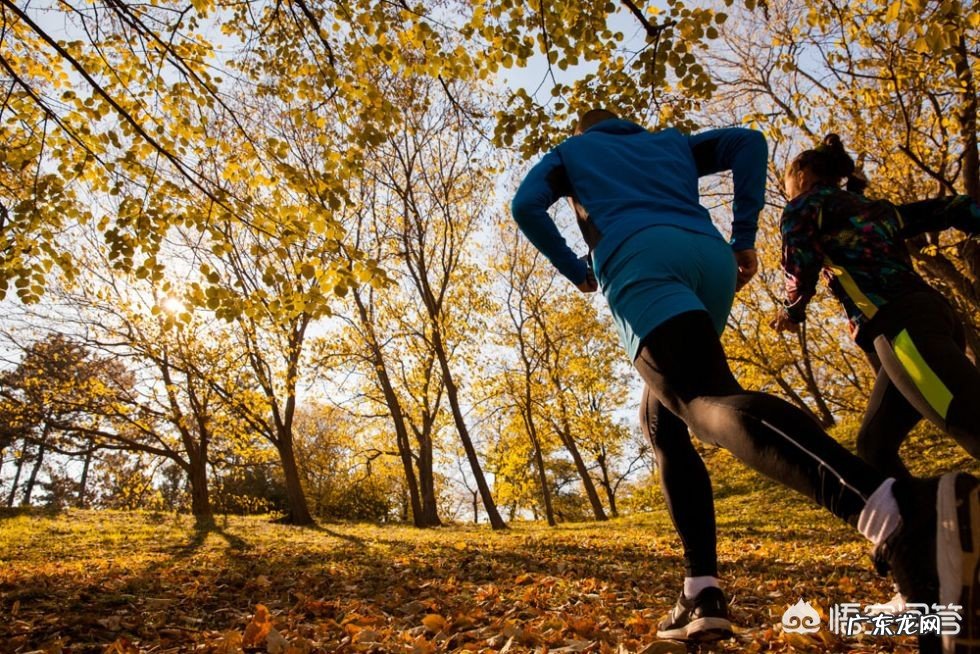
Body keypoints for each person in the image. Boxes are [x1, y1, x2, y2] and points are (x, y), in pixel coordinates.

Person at [510, 108, 980, 653]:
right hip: (708, 261)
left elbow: (525, 206)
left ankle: (895, 513)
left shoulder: (574, 153)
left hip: (640, 258)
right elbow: (748, 144)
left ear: (582, 131)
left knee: (701, 398)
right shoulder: (670, 142)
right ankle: (701, 591)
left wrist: (576, 269)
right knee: (661, 418)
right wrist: (743, 234)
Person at [772, 134, 980, 480]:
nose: (789, 192)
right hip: (930, 318)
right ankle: (927, 528)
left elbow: (800, 263)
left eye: (788, 183)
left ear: (804, 175)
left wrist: (791, 312)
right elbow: (953, 208)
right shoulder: (876, 210)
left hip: (903, 331)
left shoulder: (805, 206)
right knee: (873, 448)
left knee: (972, 423)